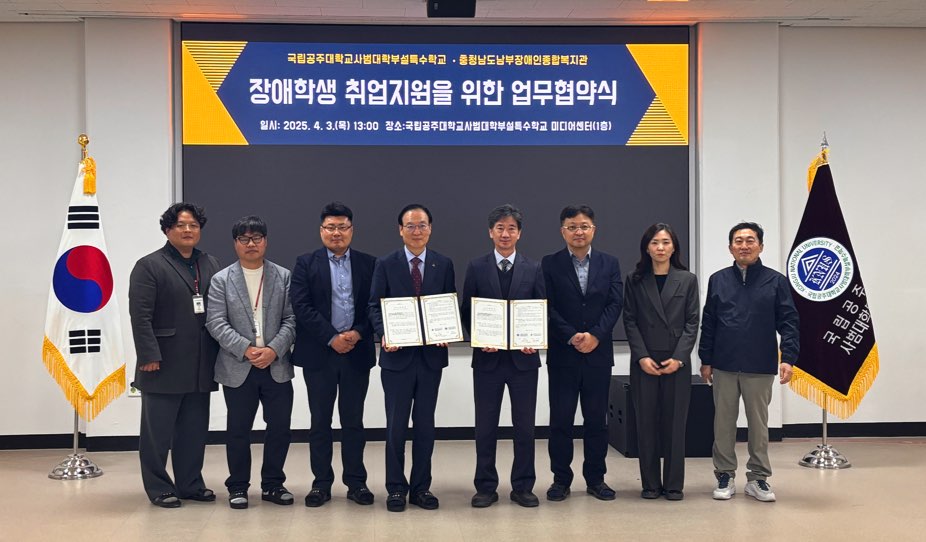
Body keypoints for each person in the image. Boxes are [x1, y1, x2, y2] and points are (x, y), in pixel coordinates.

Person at [699, 222, 799, 502]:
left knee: (759, 425)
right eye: (738, 241)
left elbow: (789, 321)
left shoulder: (776, 281)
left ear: (761, 246)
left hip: (760, 364)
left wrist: (788, 357)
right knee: (723, 424)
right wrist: (706, 359)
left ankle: (758, 478)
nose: (744, 245)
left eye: (750, 240)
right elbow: (709, 322)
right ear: (730, 247)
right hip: (724, 364)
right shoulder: (718, 279)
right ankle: (724, 474)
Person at [129, 202, 220, 508]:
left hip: (201, 363)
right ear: (168, 230)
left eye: (193, 225)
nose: (188, 230)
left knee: (193, 430)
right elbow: (140, 316)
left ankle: (190, 484)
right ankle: (158, 487)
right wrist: (148, 355)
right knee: (157, 433)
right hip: (162, 363)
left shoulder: (209, 262)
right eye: (181, 225)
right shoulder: (149, 265)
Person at [368, 203, 456, 512]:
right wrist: (384, 334)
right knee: (395, 427)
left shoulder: (443, 264)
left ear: (430, 228)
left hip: (431, 358)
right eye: (410, 226)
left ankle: (421, 488)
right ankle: (395, 488)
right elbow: (374, 306)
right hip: (396, 359)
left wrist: (447, 328)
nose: (416, 231)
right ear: (400, 230)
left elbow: (448, 303)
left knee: (425, 426)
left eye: (422, 225)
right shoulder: (385, 263)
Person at [205, 216, 296, 510]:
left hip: (276, 365)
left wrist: (273, 350)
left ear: (265, 241)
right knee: (238, 430)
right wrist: (246, 349)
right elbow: (215, 322)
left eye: (256, 237)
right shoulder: (221, 280)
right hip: (237, 366)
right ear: (235, 244)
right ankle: (238, 486)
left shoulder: (283, 277)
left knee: (279, 428)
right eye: (244, 239)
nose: (251, 244)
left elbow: (292, 319)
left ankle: (273, 484)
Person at [290, 202, 377, 508]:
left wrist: (359, 333)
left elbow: (375, 305)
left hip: (356, 352)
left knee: (353, 422)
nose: (336, 233)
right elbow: (301, 306)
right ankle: (321, 484)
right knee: (320, 422)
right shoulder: (305, 263)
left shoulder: (369, 263)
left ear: (352, 230)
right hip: (319, 354)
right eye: (330, 227)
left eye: (342, 227)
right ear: (321, 230)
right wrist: (331, 337)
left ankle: (356, 483)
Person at [461, 204, 546, 508]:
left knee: (525, 427)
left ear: (519, 233)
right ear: (490, 232)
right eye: (500, 228)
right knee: (485, 427)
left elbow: (541, 309)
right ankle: (485, 486)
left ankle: (523, 486)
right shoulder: (476, 267)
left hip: (524, 361)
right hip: (488, 360)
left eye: (511, 228)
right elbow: (467, 310)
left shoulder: (533, 268)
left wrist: (534, 339)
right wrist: (478, 337)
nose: (505, 234)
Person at [541, 204, 623, 502]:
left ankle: (596, 479)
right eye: (572, 227)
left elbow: (615, 303)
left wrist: (596, 335)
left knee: (596, 422)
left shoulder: (609, 263)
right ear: (562, 231)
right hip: (563, 354)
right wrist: (570, 335)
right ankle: (560, 480)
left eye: (584, 226)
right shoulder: (549, 264)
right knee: (561, 421)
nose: (579, 232)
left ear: (593, 230)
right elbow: (545, 305)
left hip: (597, 355)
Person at [622, 223, 699, 501]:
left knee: (675, 425)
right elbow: (629, 320)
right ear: (647, 247)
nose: (660, 248)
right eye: (655, 242)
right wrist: (641, 356)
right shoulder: (634, 279)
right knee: (646, 425)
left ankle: (674, 484)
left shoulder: (687, 279)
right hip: (645, 361)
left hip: (676, 361)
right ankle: (650, 484)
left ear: (674, 247)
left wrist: (679, 358)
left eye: (666, 242)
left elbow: (692, 322)